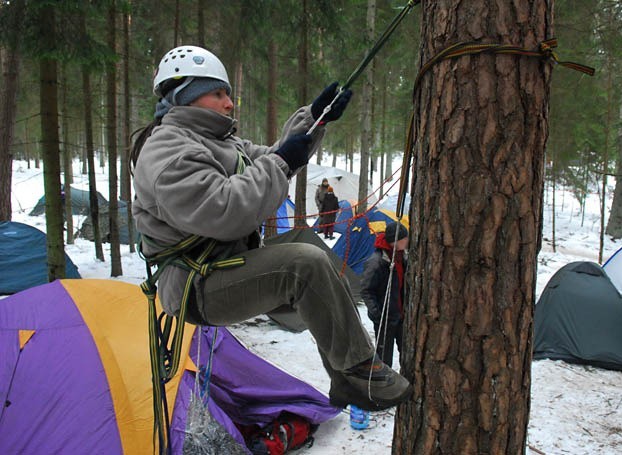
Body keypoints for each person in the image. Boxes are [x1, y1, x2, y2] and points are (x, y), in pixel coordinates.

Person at [130, 45, 411, 412]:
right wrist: (281, 160)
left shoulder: (218, 142)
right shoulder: (166, 150)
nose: (229, 103)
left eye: (227, 93)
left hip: (224, 266)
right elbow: (224, 209)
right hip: (196, 285)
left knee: (323, 265)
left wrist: (313, 121)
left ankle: (346, 378)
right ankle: (359, 374)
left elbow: (272, 158)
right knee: (304, 264)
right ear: (185, 95)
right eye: (218, 93)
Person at [360, 221, 408, 368]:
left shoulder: (403, 257)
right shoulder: (377, 262)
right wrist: (377, 314)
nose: (407, 240)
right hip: (385, 319)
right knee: (384, 359)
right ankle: (383, 387)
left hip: (402, 317)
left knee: (406, 354)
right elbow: (366, 290)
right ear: (396, 241)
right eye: (404, 238)